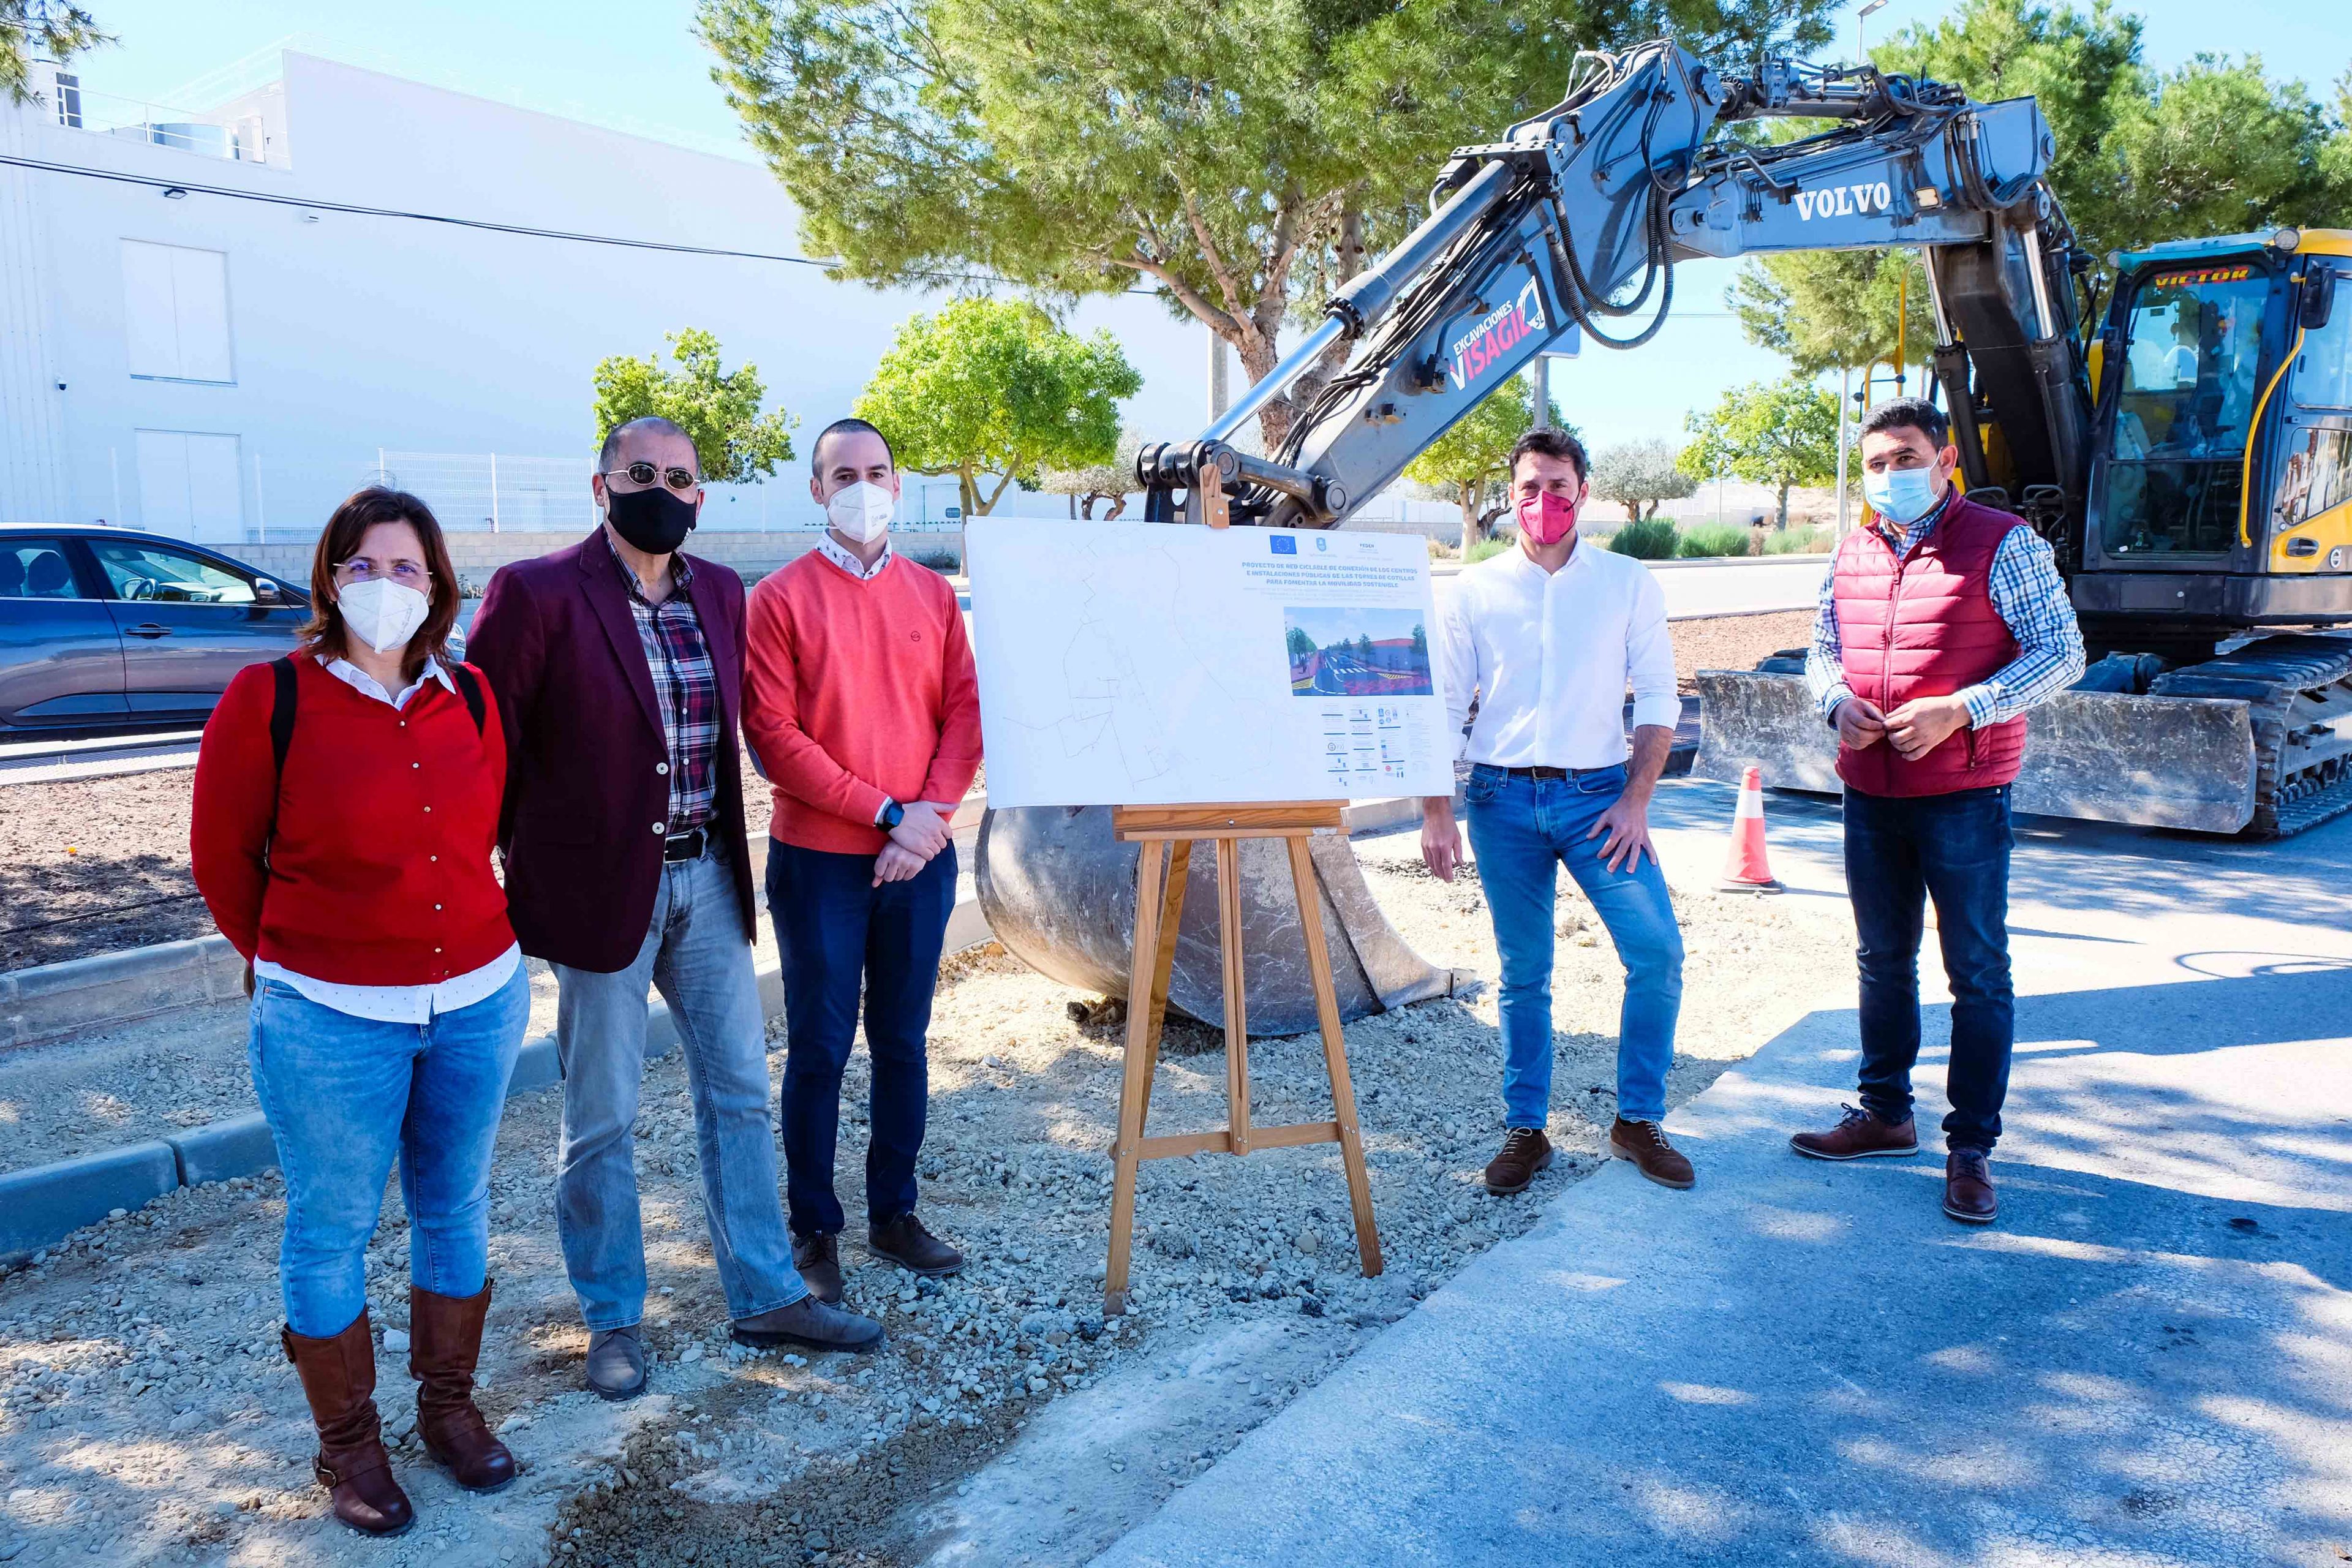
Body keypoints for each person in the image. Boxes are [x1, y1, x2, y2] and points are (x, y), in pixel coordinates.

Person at [468, 416, 881, 1399]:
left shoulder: (721, 592)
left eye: (681, 476)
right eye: (642, 472)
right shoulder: (535, 594)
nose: (663, 487)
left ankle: (767, 1291)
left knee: (738, 1091)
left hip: (708, 880)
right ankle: (612, 1319)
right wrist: (502, 873)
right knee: (600, 1116)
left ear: (701, 496)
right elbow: (488, 745)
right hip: (601, 890)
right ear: (603, 484)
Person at [191, 488, 527, 1537]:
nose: (386, 586)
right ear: (330, 578)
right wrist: (296, 962)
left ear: (438, 588)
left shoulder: (468, 695)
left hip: (476, 999)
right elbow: (221, 860)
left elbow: (487, 830)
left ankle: (449, 1410)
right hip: (328, 1017)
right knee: (331, 1229)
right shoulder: (269, 698)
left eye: (409, 569)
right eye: (364, 566)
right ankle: (349, 1447)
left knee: (455, 1206)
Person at [1792, 397, 2086, 1223]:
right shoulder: (1851, 552)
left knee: (1978, 975)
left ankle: (1971, 1148)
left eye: (1907, 457)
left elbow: (2062, 652)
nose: (1891, 475)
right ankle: (1885, 1114)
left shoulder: (2004, 545)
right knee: (1882, 960)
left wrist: (1965, 709)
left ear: (1948, 460)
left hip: (1964, 797)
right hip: (1870, 792)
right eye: (1877, 463)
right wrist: (1834, 699)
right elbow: (1822, 647)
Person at [742, 417, 982, 1303]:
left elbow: (965, 714)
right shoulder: (777, 600)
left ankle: (894, 1214)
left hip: (920, 862)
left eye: (877, 470)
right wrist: (885, 813)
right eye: (844, 473)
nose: (863, 485)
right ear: (816, 489)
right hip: (821, 865)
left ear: (899, 480)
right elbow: (773, 736)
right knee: (818, 1048)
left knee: (903, 1044)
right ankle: (815, 1230)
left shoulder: (931, 595)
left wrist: (926, 822)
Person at [1420, 428, 1693, 1197]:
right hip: (1500, 801)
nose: (1545, 501)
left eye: (1560, 485)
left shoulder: (1627, 582)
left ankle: (1637, 1120)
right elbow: (1444, 704)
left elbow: (1661, 696)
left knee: (1656, 953)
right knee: (1524, 974)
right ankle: (1526, 1129)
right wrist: (1437, 811)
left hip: (1598, 801)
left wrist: (1638, 800)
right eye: (1530, 487)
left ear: (1584, 490)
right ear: (1513, 495)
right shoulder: (1473, 590)